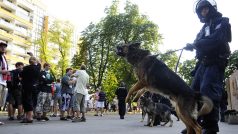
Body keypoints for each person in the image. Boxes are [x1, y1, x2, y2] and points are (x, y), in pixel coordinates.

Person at [184, 0, 231, 133]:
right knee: (192, 93)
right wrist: (191, 46)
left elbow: (217, 39)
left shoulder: (222, 21)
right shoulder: (203, 28)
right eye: (201, 10)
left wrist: (197, 44)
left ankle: (210, 127)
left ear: (211, 9)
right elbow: (198, 43)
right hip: (202, 65)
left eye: (206, 9)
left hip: (215, 62)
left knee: (208, 92)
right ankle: (194, 124)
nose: (204, 12)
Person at [21, 54, 41, 123]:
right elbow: (39, 62)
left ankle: (29, 118)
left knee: (27, 101)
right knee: (33, 101)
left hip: (27, 86)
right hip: (35, 87)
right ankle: (29, 117)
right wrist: (33, 55)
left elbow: (21, 75)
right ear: (35, 61)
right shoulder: (38, 68)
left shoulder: (26, 68)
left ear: (29, 62)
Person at [0, 41, 10, 125]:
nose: (3, 48)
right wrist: (5, 71)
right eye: (1, 46)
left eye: (4, 46)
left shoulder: (3, 57)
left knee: (1, 102)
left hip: (3, 82)